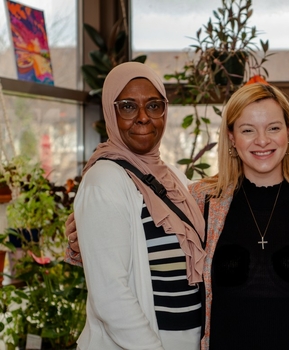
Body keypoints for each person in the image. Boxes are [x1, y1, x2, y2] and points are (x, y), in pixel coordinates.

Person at [188, 82, 289, 350]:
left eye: (273, 128)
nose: (262, 140)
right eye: (248, 130)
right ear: (231, 137)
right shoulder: (199, 201)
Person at [68, 62, 206, 349]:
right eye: (128, 106)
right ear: (110, 110)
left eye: (154, 106)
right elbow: (110, 295)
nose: (143, 118)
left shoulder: (173, 179)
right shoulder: (104, 180)